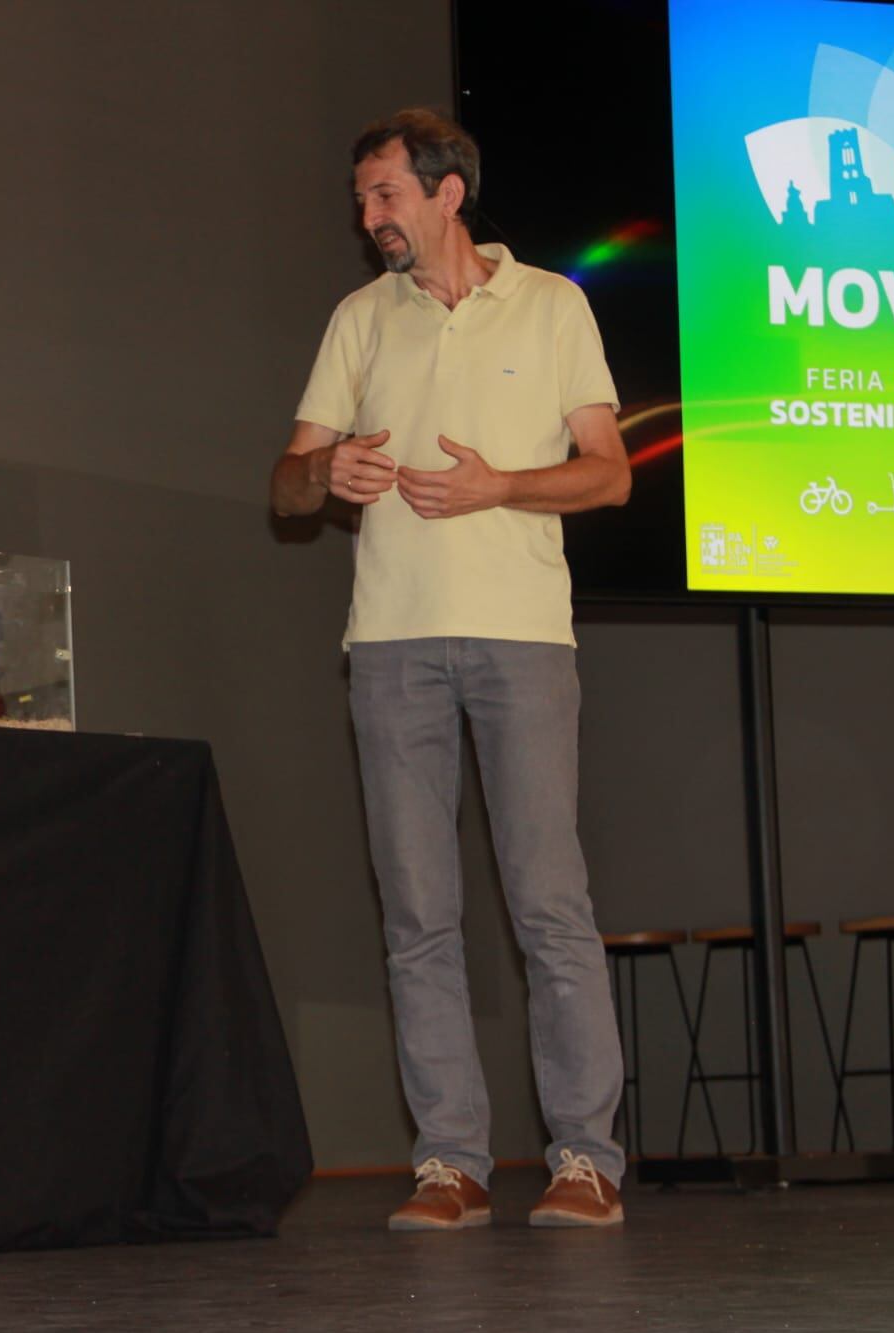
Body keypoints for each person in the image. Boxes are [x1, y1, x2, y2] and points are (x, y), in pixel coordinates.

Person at [269, 108, 631, 1231]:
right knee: (416, 916)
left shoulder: (554, 304)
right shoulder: (357, 320)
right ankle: (451, 1164)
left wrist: (497, 487)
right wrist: (327, 467)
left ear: (444, 192)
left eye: (383, 194)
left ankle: (583, 1159)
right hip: (388, 646)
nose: (368, 215)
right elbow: (284, 490)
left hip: (522, 638)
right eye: (360, 198)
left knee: (546, 905)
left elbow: (608, 475)